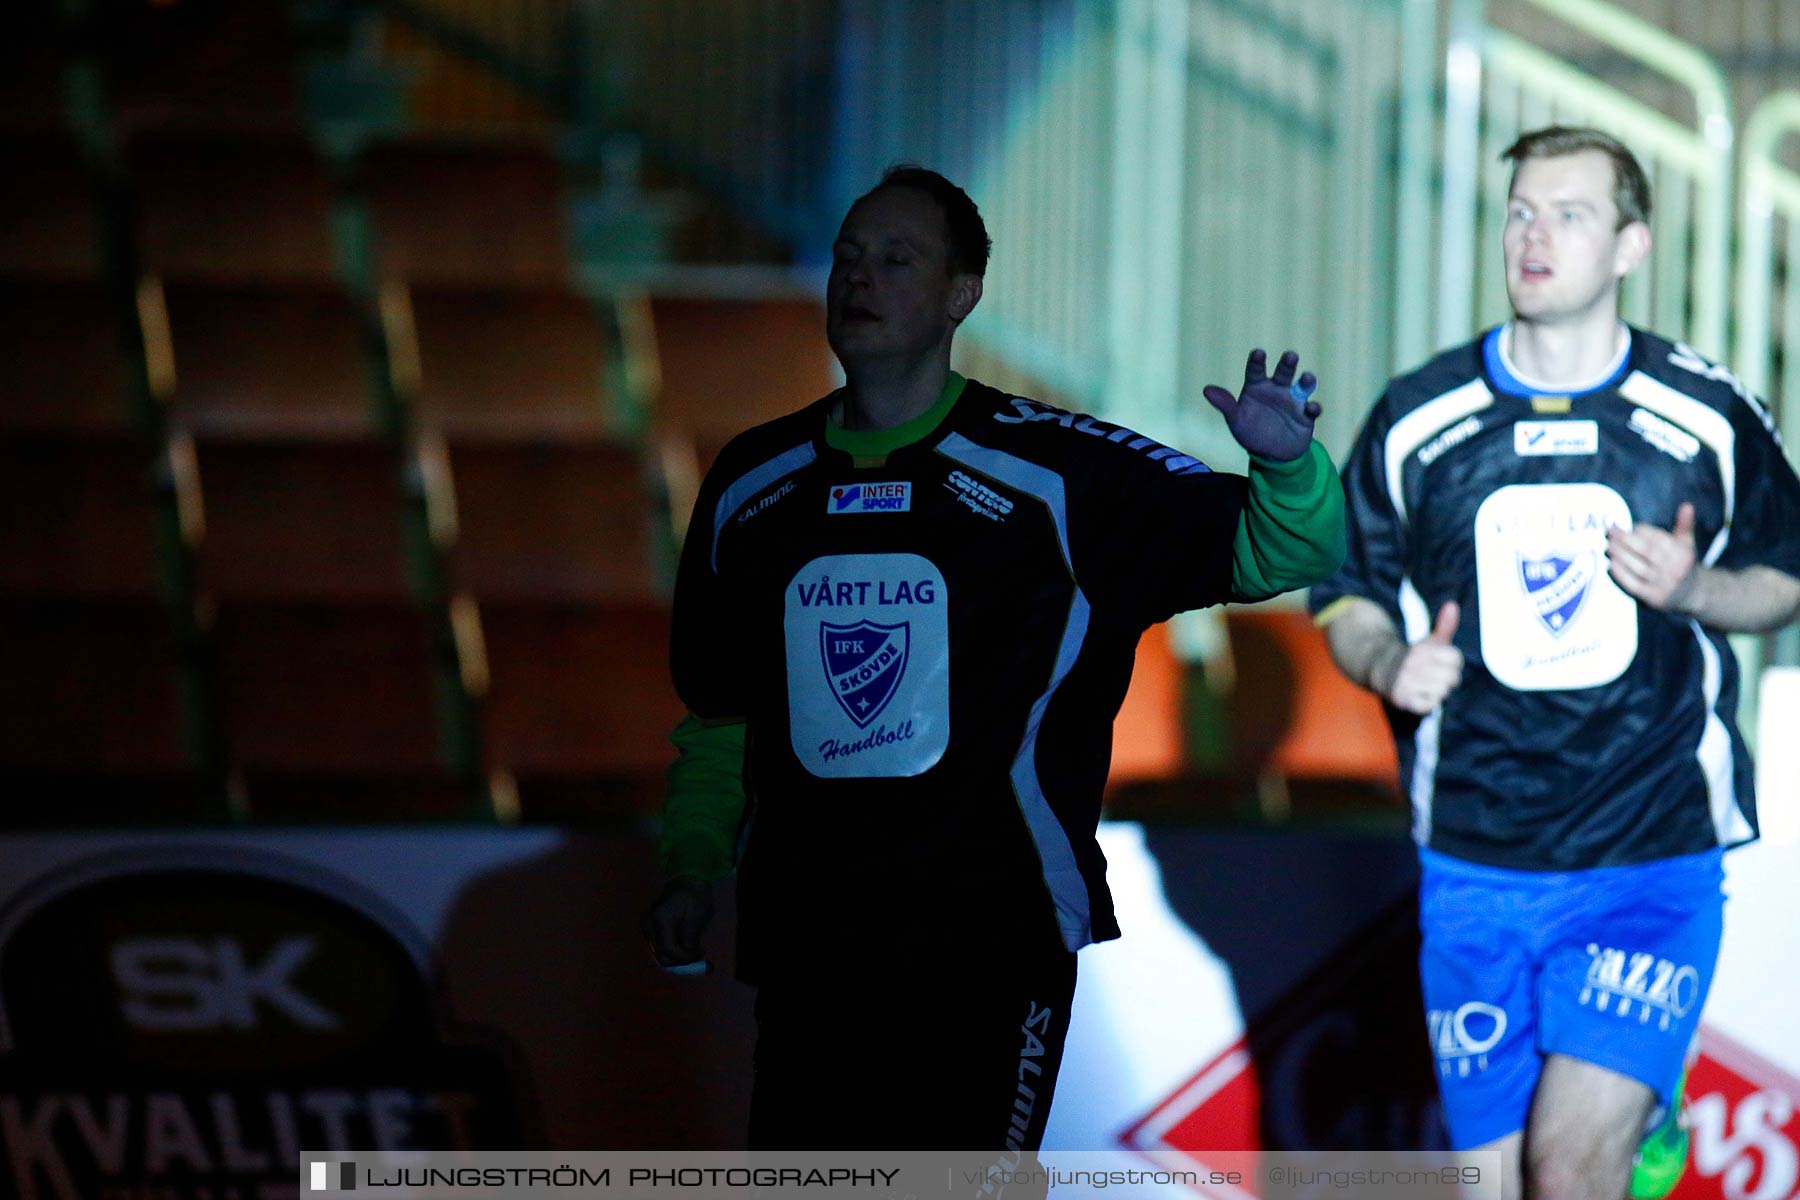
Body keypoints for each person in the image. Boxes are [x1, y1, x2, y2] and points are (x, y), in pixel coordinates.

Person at [642, 165, 1346, 1150]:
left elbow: (1289, 548)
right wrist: (689, 864)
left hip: (990, 938)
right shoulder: (753, 482)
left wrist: (1285, 464)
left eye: (898, 258)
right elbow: (719, 717)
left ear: (961, 295)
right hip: (810, 944)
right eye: (849, 257)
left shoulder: (1059, 473)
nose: (863, 278)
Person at [1311, 126, 1800, 1200]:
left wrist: (1693, 590)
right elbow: (1343, 590)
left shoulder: (1703, 414)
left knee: (1568, 1169)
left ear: (1631, 245)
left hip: (1649, 853)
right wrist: (1388, 661)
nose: (1534, 237)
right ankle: (1641, 1118)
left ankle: (1627, 1113)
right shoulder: (1419, 417)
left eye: (1569, 214)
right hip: (1478, 859)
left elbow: (1783, 575)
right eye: (1521, 211)